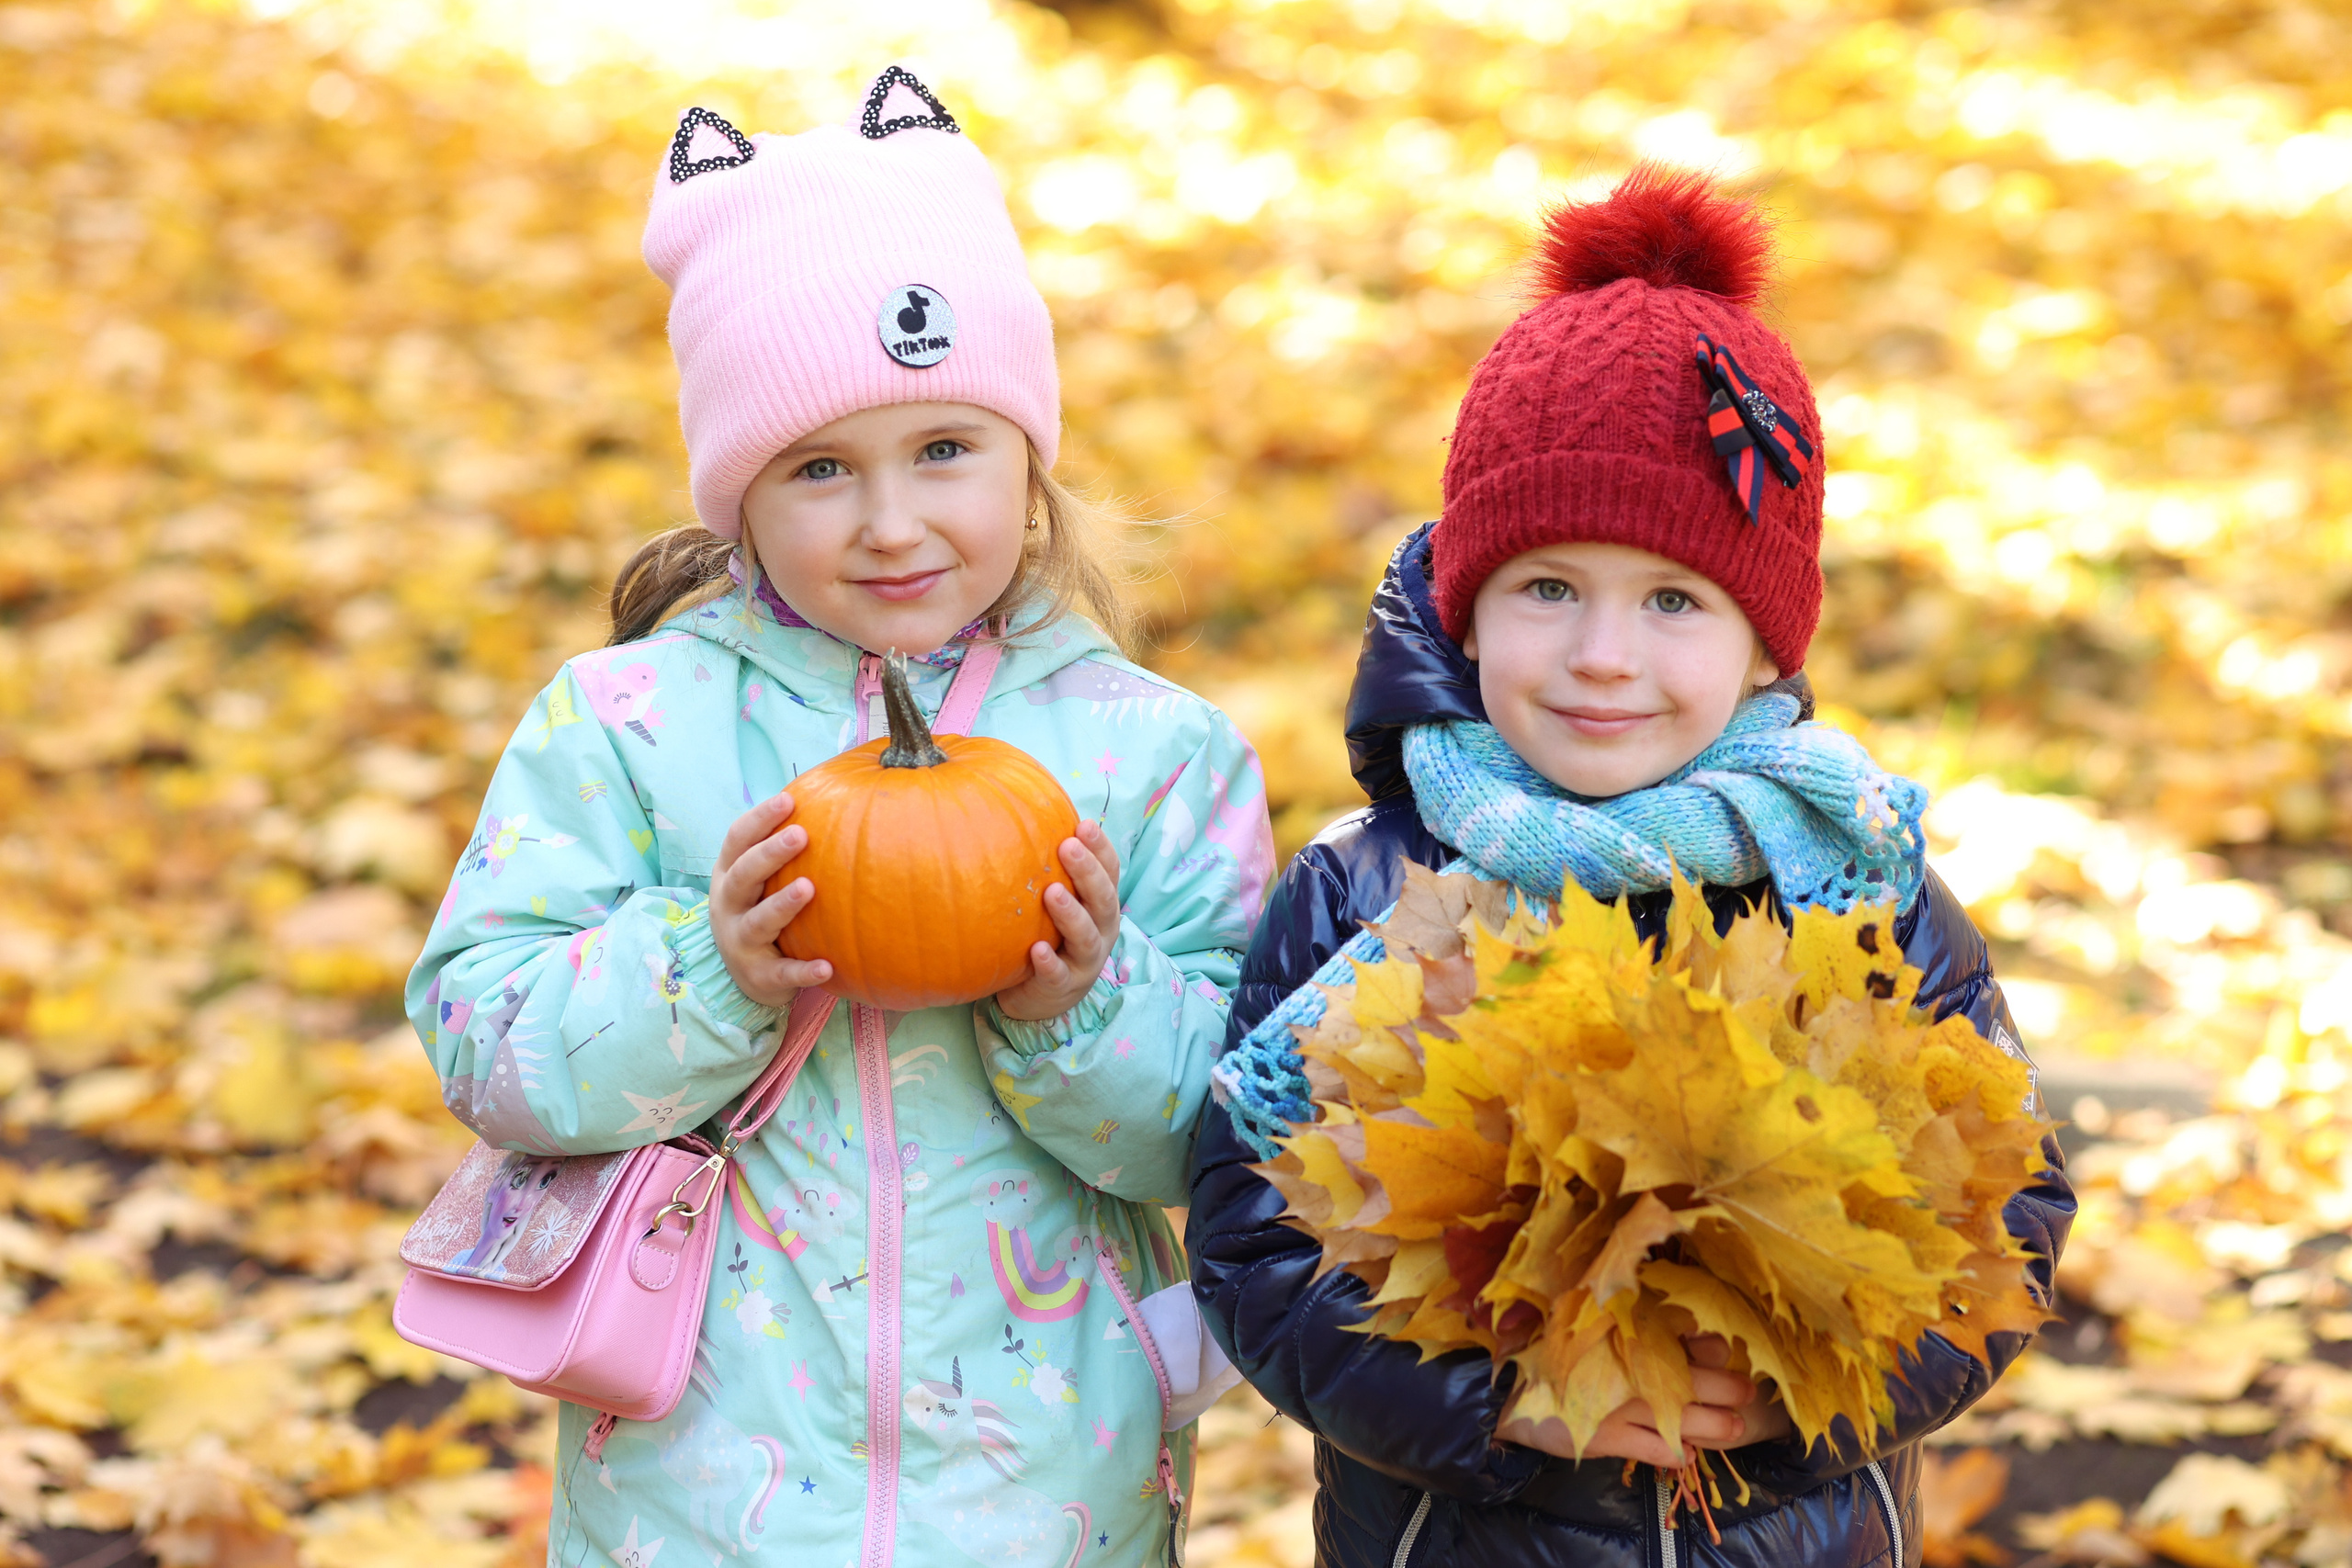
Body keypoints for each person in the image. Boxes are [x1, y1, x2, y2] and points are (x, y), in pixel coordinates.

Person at [410, 69, 1273, 1568]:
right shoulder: (624, 725)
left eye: (945, 450)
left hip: (1053, 1487)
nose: (889, 522)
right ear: (740, 496)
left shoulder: (1154, 754)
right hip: (696, 1489)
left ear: (1028, 455)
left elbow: (1231, 1135)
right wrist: (706, 965)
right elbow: (488, 1042)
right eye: (819, 469)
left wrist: (1086, 1005)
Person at [1186, 166, 2074, 1568]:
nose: (1605, 654)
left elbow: (2006, 1213)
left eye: (1674, 601)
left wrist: (1802, 1396)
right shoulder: (1365, 896)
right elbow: (1252, 1241)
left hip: (1797, 1532)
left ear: (1766, 646)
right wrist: (1492, 1410)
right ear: (1467, 612)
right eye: (1549, 588)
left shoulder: (1851, 886)